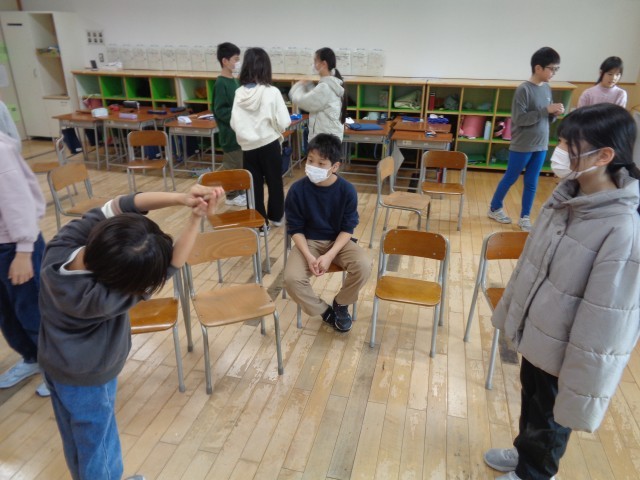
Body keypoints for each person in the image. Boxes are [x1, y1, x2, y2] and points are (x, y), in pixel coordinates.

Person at [483, 103, 640, 480]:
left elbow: (606, 318)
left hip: (568, 349)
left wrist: (579, 369)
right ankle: (525, 455)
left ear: (604, 156)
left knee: (551, 418)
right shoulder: (568, 195)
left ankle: (536, 473)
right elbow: (533, 264)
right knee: (531, 401)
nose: (561, 152)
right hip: (541, 331)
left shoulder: (622, 228)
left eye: (571, 145)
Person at [38, 184, 224, 480]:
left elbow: (123, 203)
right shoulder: (103, 299)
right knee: (99, 445)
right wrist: (194, 219)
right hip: (89, 377)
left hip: (54, 364)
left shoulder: (63, 245)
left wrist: (181, 198)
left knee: (77, 439)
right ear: (124, 281)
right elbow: (173, 264)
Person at [283, 133, 371, 332]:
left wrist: (330, 255)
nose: (313, 166)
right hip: (308, 242)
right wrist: (309, 256)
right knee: (291, 279)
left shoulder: (347, 190)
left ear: (335, 166)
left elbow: (347, 229)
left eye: (321, 163)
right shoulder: (297, 190)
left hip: (338, 242)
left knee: (364, 265)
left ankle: (341, 302)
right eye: (310, 161)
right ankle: (324, 311)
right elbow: (295, 229)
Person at [488, 47, 565, 232]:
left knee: (532, 182)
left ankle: (525, 217)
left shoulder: (546, 88)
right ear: (538, 68)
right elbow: (520, 119)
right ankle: (494, 208)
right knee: (511, 177)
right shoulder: (524, 89)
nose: (554, 73)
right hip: (523, 144)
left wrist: (554, 114)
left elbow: (546, 118)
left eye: (556, 69)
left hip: (541, 144)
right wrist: (545, 110)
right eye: (552, 69)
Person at [0, 130, 48, 396]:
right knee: (7, 314)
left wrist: (23, 251)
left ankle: (57, 370)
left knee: (33, 312)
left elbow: (18, 202)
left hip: (14, 248)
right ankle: (32, 358)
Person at [231, 47, 291, 230]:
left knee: (253, 186)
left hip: (248, 147)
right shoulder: (272, 92)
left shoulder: (239, 93)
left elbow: (234, 122)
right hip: (269, 143)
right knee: (274, 181)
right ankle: (276, 217)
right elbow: (284, 121)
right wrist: (276, 129)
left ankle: (259, 225)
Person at [213, 42, 247, 207]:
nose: (238, 63)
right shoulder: (221, 83)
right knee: (231, 166)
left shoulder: (234, 81)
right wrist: (238, 117)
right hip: (229, 133)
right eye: (236, 59)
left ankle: (239, 192)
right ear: (225, 61)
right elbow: (220, 110)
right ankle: (231, 195)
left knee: (240, 165)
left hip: (239, 132)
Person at [289, 47, 346, 141]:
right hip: (330, 139)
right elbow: (317, 99)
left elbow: (301, 100)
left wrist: (298, 86)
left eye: (315, 61)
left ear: (324, 64)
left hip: (324, 142)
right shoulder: (331, 84)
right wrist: (308, 85)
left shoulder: (325, 88)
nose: (314, 65)